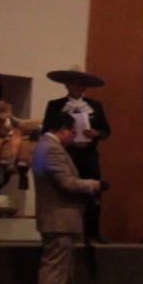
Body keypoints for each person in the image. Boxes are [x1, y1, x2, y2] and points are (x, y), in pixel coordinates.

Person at [31, 112, 101, 284]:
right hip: (58, 217)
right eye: (71, 131)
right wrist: (92, 185)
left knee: (63, 269)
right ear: (62, 129)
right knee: (55, 270)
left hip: (58, 217)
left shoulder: (44, 147)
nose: (72, 136)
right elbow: (66, 182)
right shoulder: (51, 149)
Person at [42, 67, 110, 243]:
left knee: (94, 190)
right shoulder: (55, 105)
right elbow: (46, 129)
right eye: (73, 83)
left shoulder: (95, 106)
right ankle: (69, 229)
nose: (77, 87)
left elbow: (106, 131)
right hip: (67, 153)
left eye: (80, 84)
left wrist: (96, 134)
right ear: (67, 85)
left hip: (88, 153)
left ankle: (93, 230)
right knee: (67, 188)